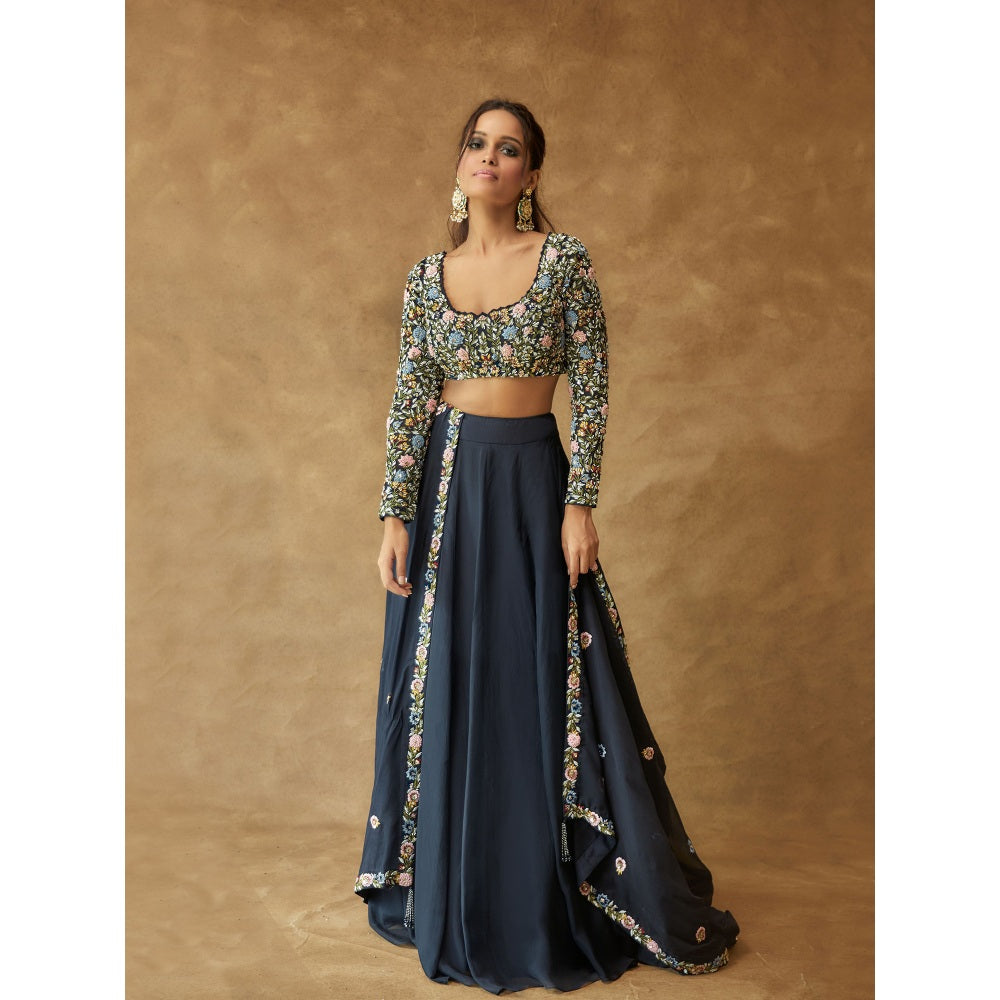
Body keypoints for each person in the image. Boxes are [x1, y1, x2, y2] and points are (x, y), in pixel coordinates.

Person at [354, 98, 739, 994]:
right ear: (461, 164)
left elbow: (593, 386)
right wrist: (393, 515)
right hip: (448, 489)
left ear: (530, 174)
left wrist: (580, 503)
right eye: (477, 143)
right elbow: (410, 395)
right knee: (451, 676)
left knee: (539, 674)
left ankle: (540, 890)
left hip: (531, 482)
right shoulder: (426, 277)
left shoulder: (563, 261)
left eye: (510, 148)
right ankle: (457, 885)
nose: (489, 157)